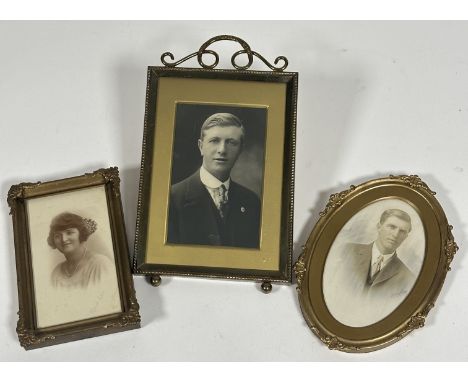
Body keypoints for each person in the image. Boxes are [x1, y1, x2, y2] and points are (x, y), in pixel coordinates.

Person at [167, 112, 261, 248]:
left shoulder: (251, 202)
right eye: (214, 141)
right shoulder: (172, 198)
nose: (222, 150)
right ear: (201, 147)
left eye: (231, 142)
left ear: (241, 149)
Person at [324, 209, 417, 327]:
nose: (396, 234)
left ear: (406, 237)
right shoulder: (347, 251)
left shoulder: (408, 278)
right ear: (379, 227)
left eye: (402, 231)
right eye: (391, 227)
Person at [47, 212, 114, 288]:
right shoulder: (56, 273)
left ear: (81, 234)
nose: (64, 239)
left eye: (69, 233)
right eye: (57, 236)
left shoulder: (100, 264)